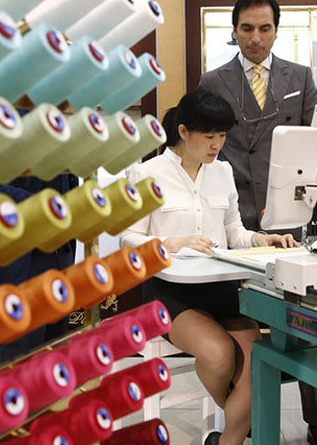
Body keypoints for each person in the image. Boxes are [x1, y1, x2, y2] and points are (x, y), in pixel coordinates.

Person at [120, 89, 299, 445]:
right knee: (219, 356)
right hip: (169, 291)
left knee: (256, 365)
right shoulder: (146, 174)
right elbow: (128, 238)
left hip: (222, 287)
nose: (217, 144)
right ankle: (240, 416)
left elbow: (234, 232)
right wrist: (172, 243)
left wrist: (261, 239)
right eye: (209, 136)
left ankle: (225, 439)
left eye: (222, 136)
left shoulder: (223, 172)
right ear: (183, 131)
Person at [198, 0, 317, 445]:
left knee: (303, 323)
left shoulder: (300, 77)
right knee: (243, 320)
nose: (255, 38)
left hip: (287, 217)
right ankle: (247, 414)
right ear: (234, 31)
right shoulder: (213, 80)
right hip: (233, 218)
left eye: (264, 28)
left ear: (276, 30)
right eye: (247, 28)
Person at [0, 173, 78, 363]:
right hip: (18, 265)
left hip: (58, 260)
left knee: (52, 366)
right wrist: (42, 207)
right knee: (19, 367)